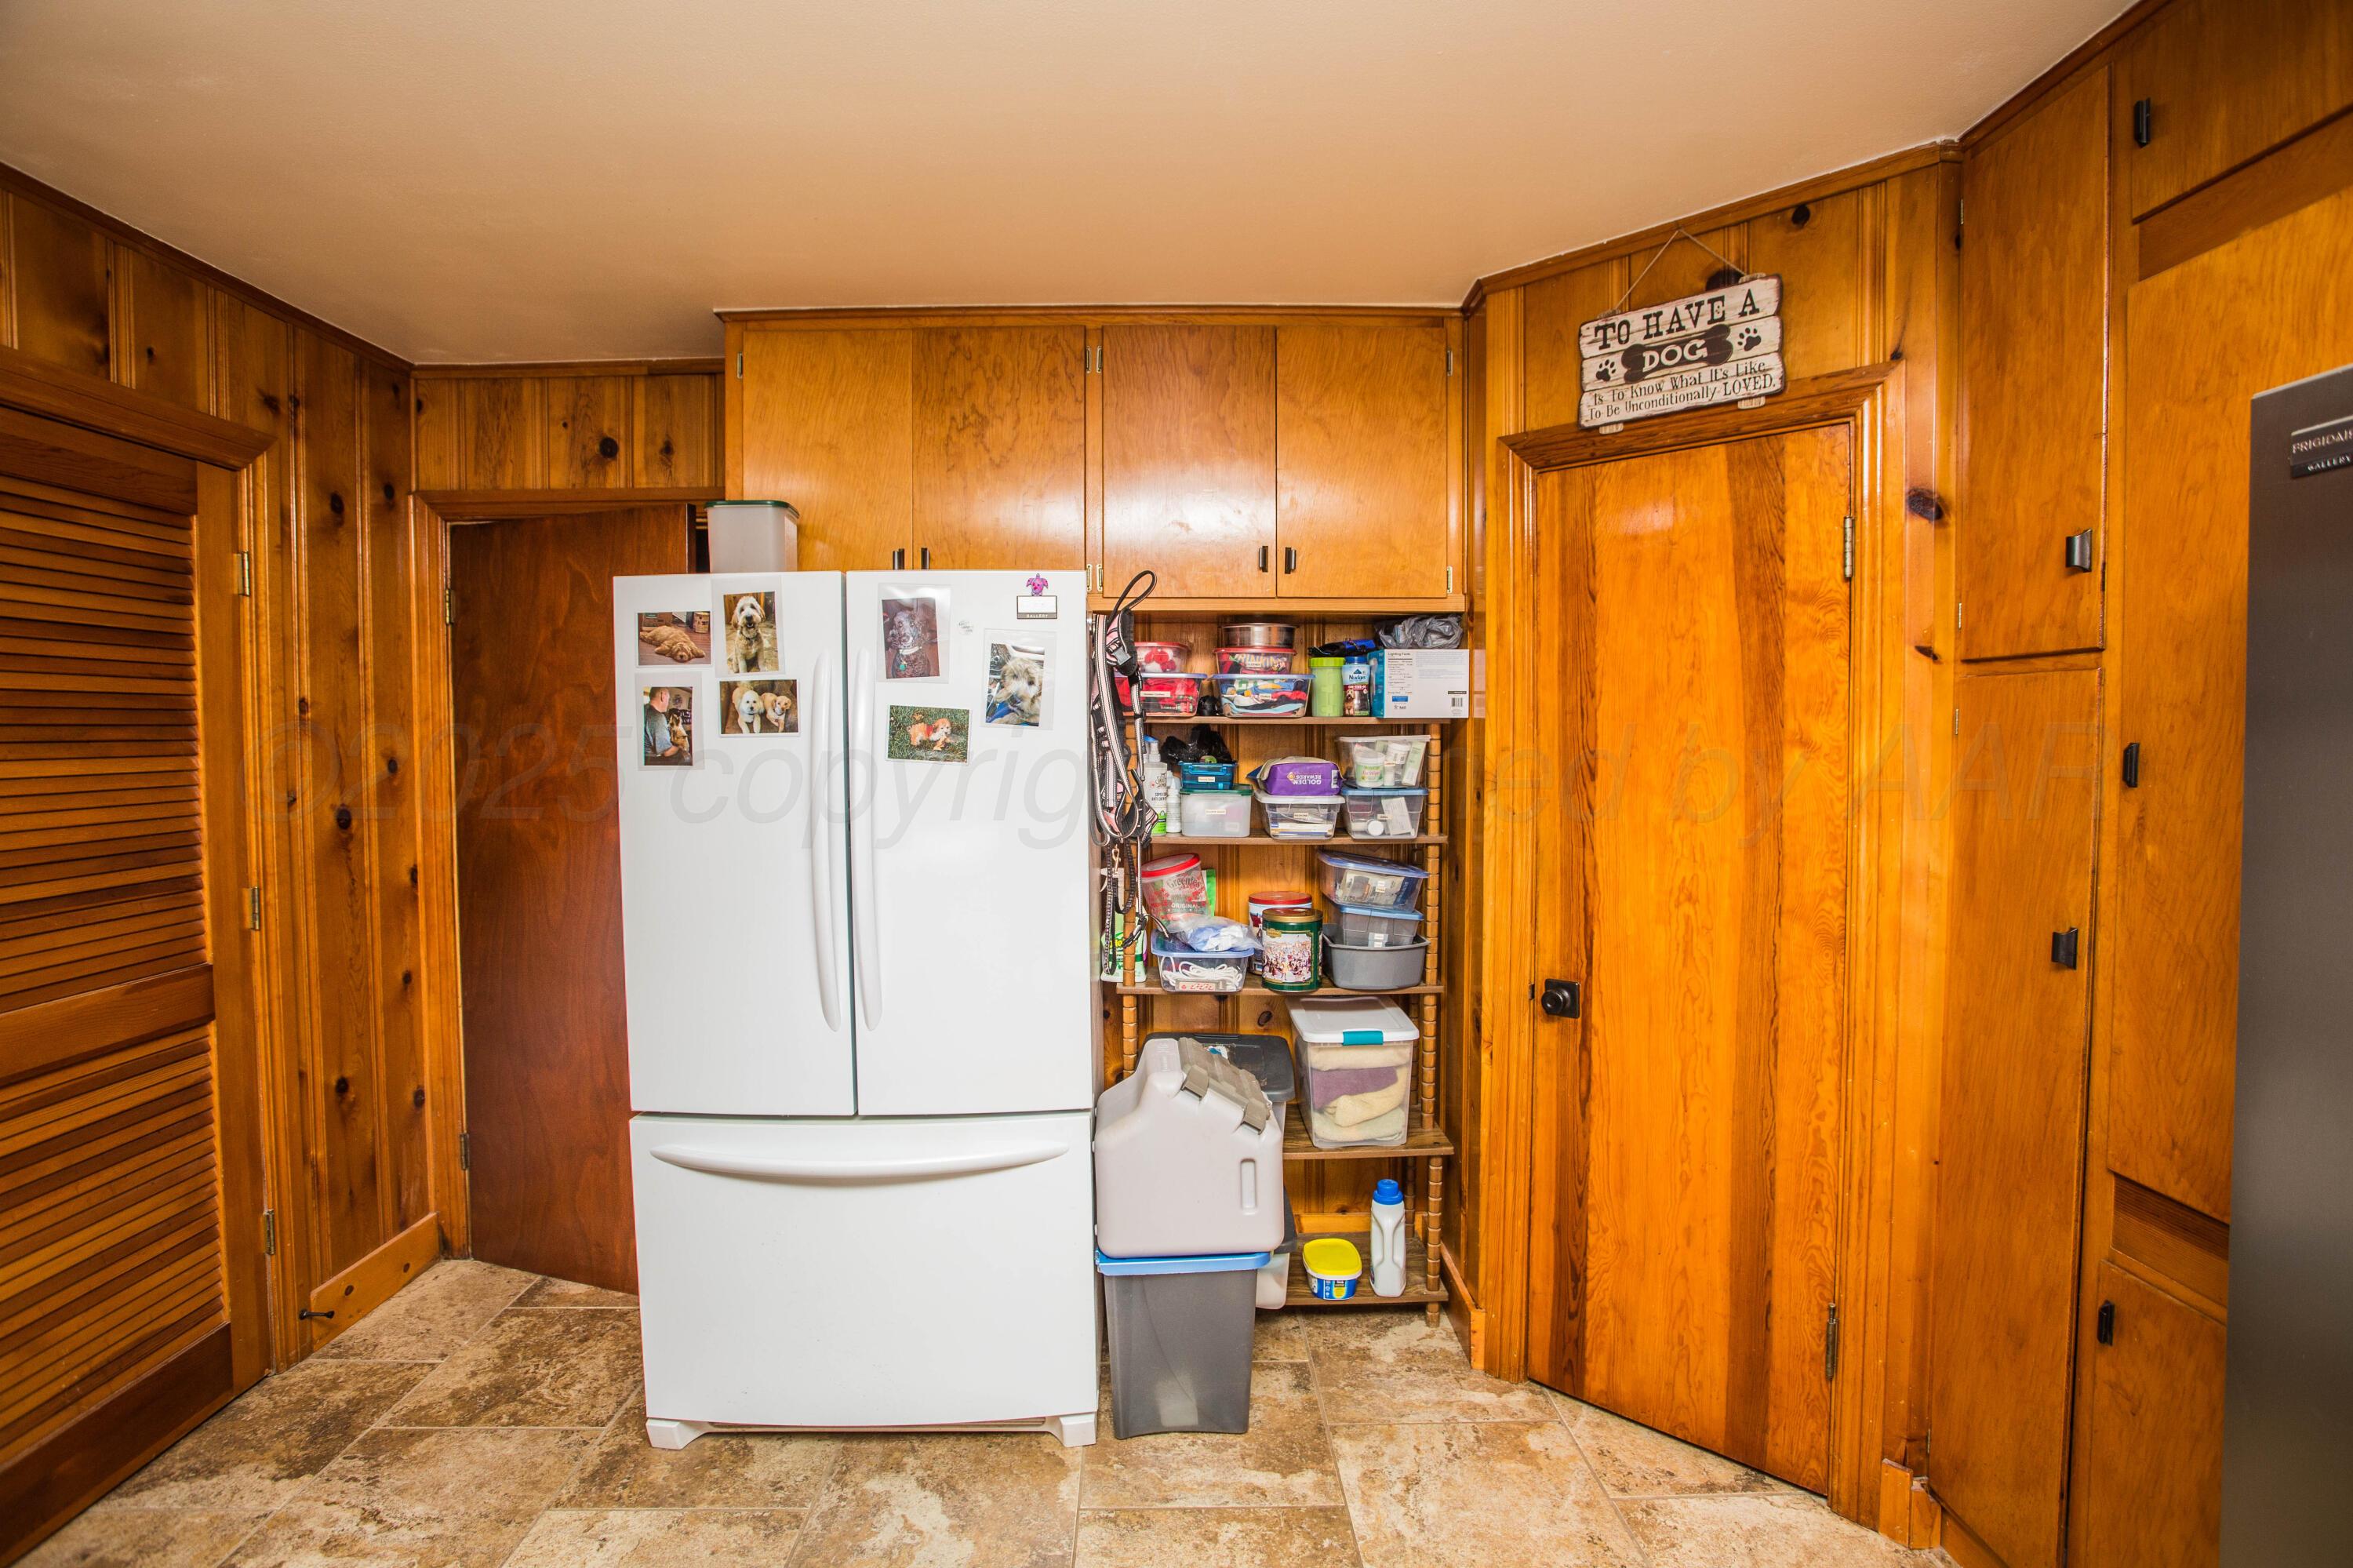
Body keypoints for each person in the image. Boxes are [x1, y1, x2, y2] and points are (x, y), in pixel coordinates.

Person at [644, 687, 686, 763]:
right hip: (650, 760)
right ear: (663, 696)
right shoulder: (658, 717)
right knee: (684, 756)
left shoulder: (644, 708)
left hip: (643, 757)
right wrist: (679, 748)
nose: (668, 703)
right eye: (668, 699)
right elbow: (667, 752)